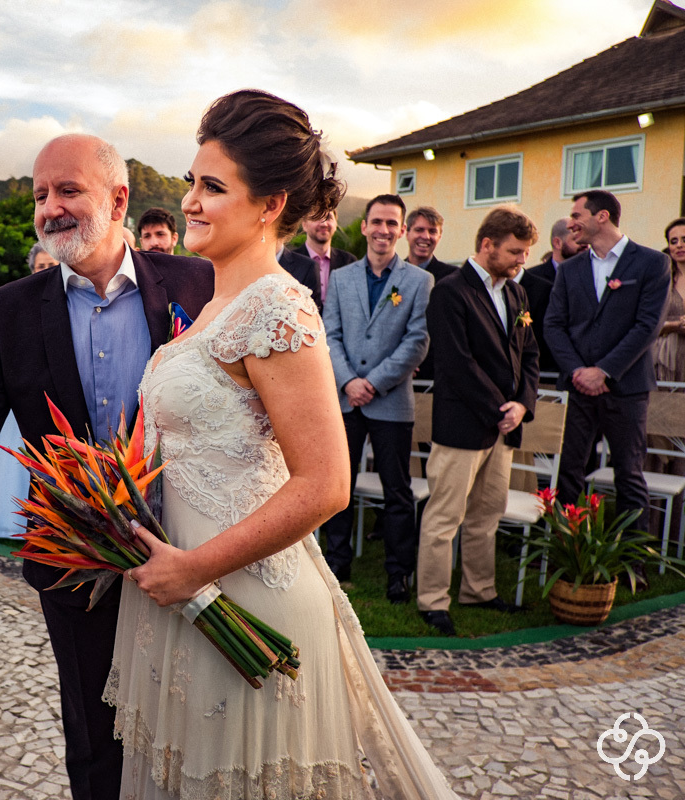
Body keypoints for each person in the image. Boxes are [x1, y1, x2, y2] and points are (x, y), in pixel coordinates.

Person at [111, 89, 460, 800]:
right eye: (191, 183)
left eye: (213, 187)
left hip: (239, 596)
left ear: (270, 205)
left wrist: (193, 570)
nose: (190, 202)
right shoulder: (213, 304)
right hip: (182, 593)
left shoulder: (276, 306)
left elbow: (327, 483)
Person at [0, 134, 213, 800]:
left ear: (119, 198)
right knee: (97, 738)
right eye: (40, 194)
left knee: (202, 726)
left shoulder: (200, 282)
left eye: (67, 190)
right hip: (75, 562)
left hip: (195, 547)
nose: (49, 208)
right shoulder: (8, 309)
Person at [417, 206, 540, 636]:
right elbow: (456, 363)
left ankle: (479, 590)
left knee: (488, 513)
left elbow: (530, 355)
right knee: (444, 517)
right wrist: (498, 408)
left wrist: (522, 404)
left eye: (524, 253)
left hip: (504, 427)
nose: (521, 260)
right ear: (487, 245)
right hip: (463, 426)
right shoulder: (450, 291)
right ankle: (432, 600)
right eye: (514, 252)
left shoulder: (517, 295)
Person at [544, 190, 671, 589]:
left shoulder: (652, 263)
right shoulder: (570, 269)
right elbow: (553, 326)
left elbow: (647, 326)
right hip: (578, 388)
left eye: (577, 215)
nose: (571, 222)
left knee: (629, 475)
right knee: (570, 475)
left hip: (627, 389)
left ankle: (633, 564)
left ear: (602, 216)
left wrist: (606, 371)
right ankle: (569, 558)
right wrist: (580, 370)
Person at [322, 194, 433, 600]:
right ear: (365, 226)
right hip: (346, 400)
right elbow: (328, 335)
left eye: (392, 224)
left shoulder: (420, 281)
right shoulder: (341, 278)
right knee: (339, 485)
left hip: (390, 402)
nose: (384, 230)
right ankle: (337, 563)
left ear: (401, 231)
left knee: (397, 490)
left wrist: (375, 382)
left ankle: (397, 572)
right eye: (377, 222)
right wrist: (350, 381)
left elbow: (417, 341)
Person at [0, 244, 59, 540]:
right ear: (32, 270)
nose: (46, 270)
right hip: (21, 393)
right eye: (41, 266)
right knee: (14, 458)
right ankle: (9, 523)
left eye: (51, 264)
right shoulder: (16, 304)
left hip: (53, 398)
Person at [647, 218, 685, 476]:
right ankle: (654, 514)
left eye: (684, 239)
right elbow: (647, 324)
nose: (680, 245)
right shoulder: (662, 279)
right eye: (674, 241)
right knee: (658, 435)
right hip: (663, 363)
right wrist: (674, 325)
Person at [519, 218, 580, 374]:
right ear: (557, 243)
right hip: (541, 372)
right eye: (575, 239)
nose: (584, 244)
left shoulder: (591, 277)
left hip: (577, 371)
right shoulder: (529, 279)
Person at [406, 206, 456, 382]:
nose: (425, 237)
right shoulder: (390, 274)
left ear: (440, 236)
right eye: (419, 230)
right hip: (395, 376)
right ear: (406, 232)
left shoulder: (454, 278)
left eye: (432, 231)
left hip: (437, 376)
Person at [290, 207, 355, 312]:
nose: (324, 224)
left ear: (335, 224)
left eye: (329, 218)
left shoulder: (349, 262)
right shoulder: (290, 262)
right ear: (304, 225)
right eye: (317, 218)